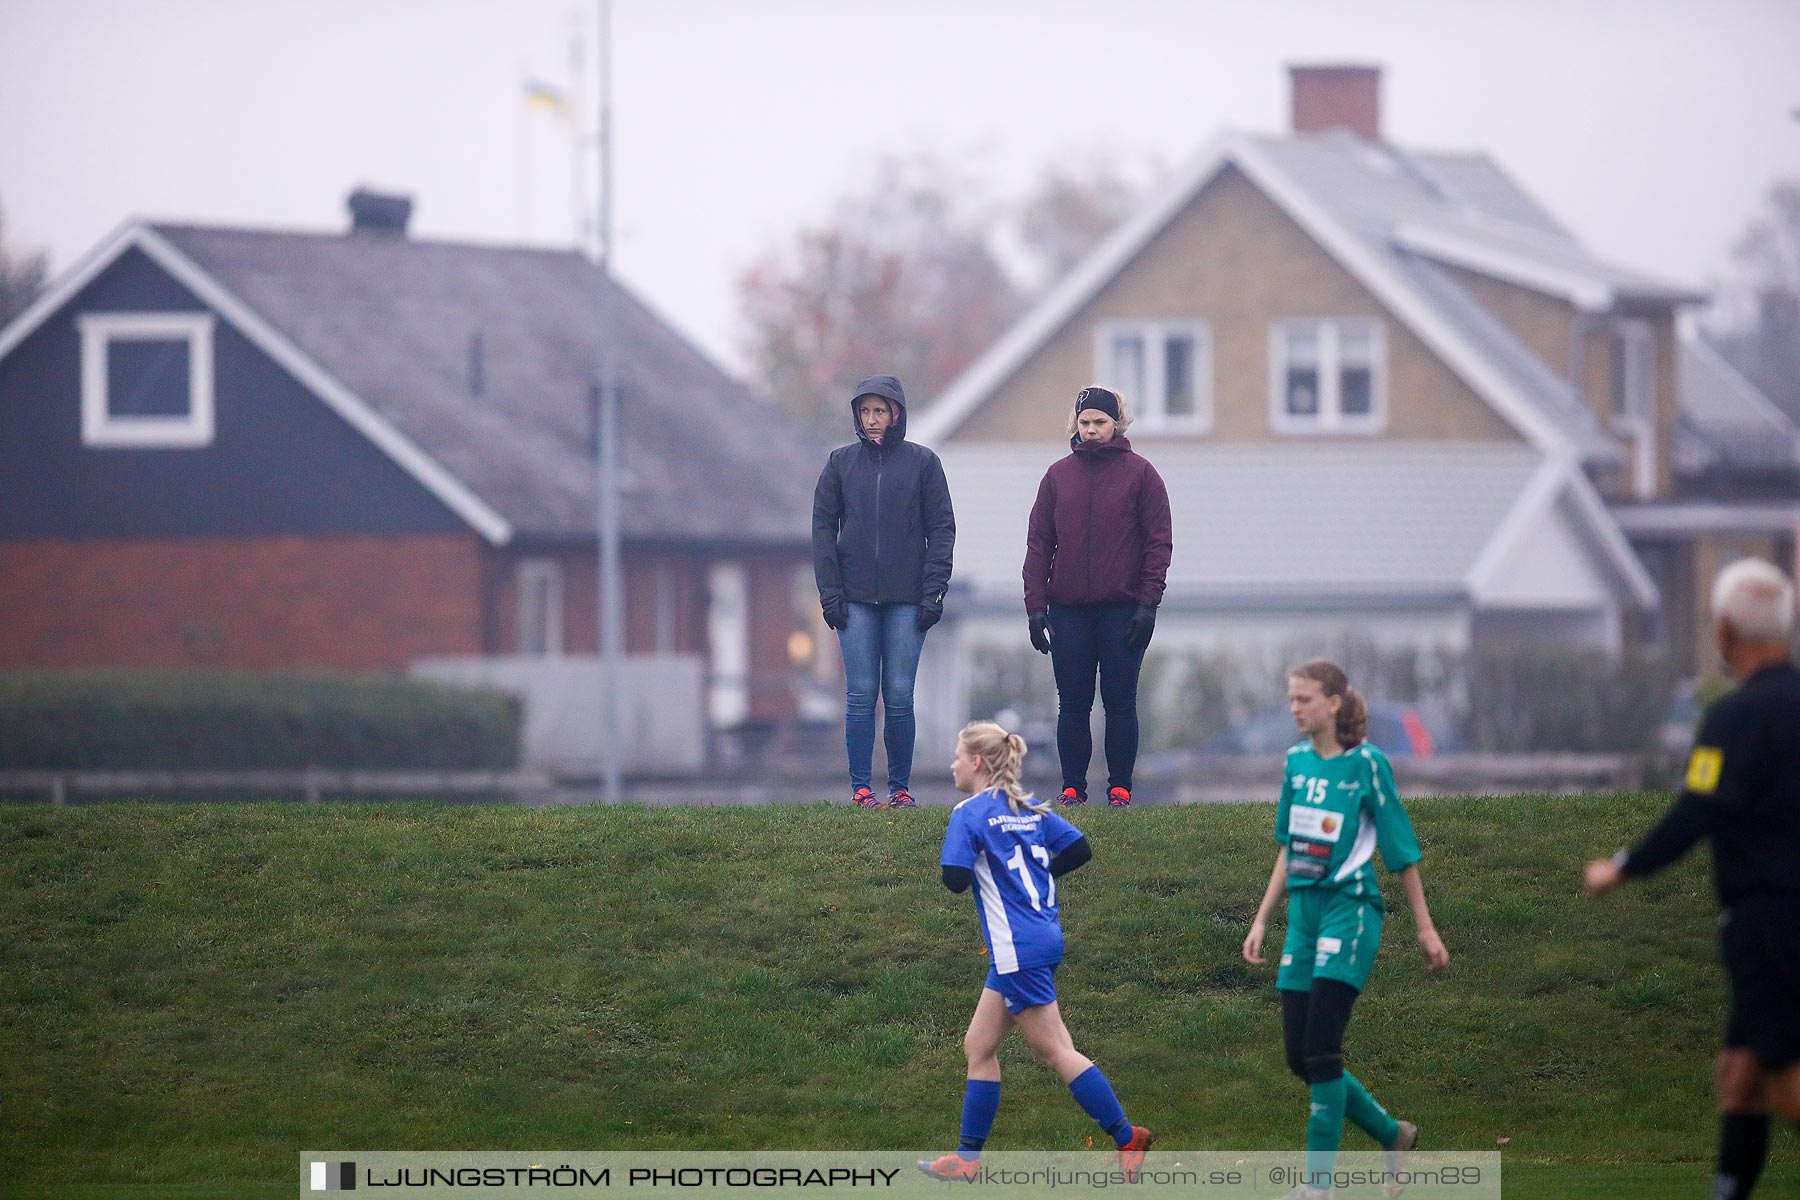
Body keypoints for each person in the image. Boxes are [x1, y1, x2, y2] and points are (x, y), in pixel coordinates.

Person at [1584, 557, 1800, 1200]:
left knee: (1785, 1079)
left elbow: (1699, 808)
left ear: (1726, 630)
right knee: (1740, 1078)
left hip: (1769, 921)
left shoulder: (1732, 718)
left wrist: (1623, 867)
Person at [1242, 661, 1449, 1200]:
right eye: (1291, 699)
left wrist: (1426, 929)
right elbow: (1289, 845)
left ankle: (1318, 1188)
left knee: (1322, 1048)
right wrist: (1264, 917)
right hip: (1304, 918)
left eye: (1304, 699)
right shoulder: (1294, 763)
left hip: (1350, 912)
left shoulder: (1367, 765)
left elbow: (1402, 850)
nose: (1295, 708)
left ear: (1334, 703)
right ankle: (1391, 1134)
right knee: (1298, 1055)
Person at [919, 720, 1154, 1182]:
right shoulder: (1028, 807)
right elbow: (1079, 849)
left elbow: (953, 878)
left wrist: (982, 870)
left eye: (958, 756)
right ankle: (967, 1160)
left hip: (1014, 946)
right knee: (979, 1046)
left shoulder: (968, 812)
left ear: (978, 763)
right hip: (1039, 935)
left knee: (1055, 1050)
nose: (952, 764)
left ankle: (1127, 1136)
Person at [1022, 386, 1172, 808]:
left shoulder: (1142, 475)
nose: (1091, 430)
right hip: (1067, 610)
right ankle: (1073, 788)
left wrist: (1148, 604)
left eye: (1099, 423)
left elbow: (1158, 544)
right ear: (1075, 424)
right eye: (1084, 423)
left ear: (1116, 425)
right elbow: (1039, 545)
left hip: (1123, 609)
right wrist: (1035, 607)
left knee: (1120, 702)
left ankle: (1120, 788)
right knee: (1072, 704)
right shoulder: (1057, 476)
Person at [813, 374, 955, 809]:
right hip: (854, 601)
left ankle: (900, 790)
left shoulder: (924, 464)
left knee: (898, 696)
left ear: (897, 413)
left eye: (880, 410)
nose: (872, 420)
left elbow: (942, 529)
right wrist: (830, 593)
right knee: (859, 696)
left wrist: (933, 592)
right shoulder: (839, 464)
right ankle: (860, 790)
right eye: (865, 411)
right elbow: (822, 528)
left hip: (907, 601)